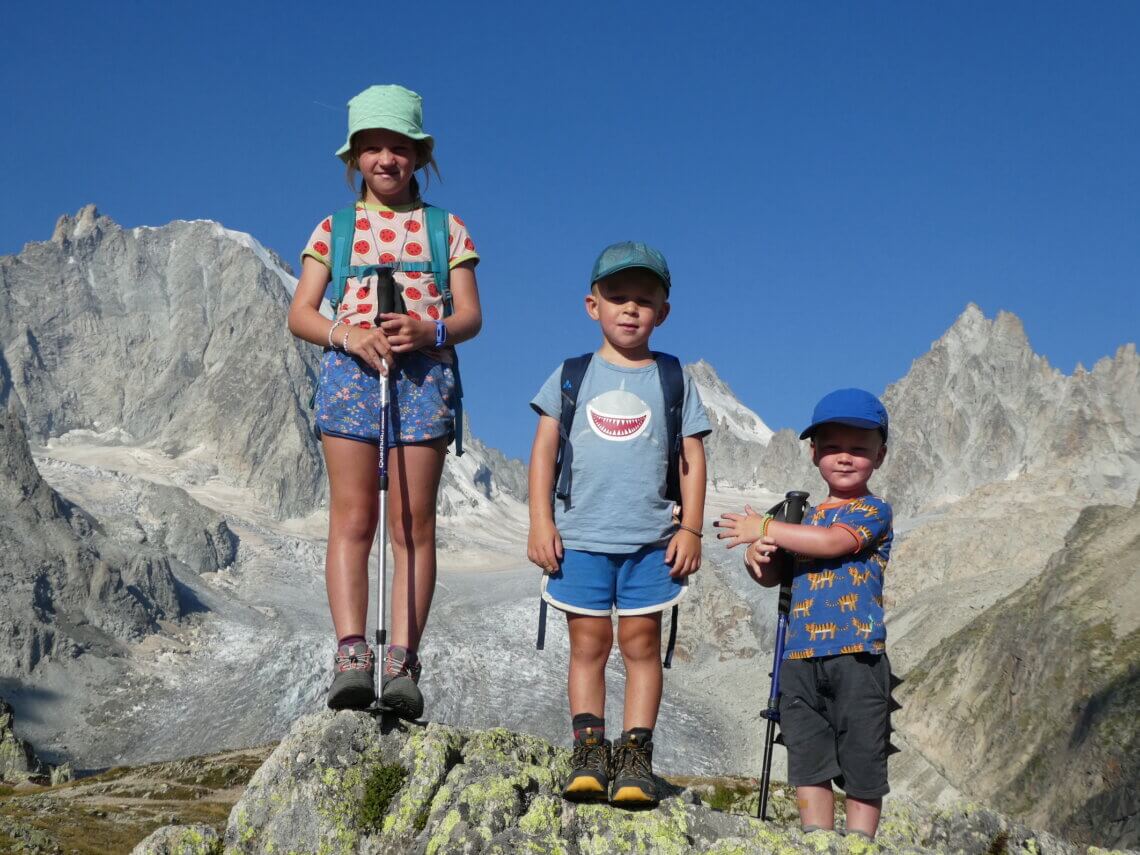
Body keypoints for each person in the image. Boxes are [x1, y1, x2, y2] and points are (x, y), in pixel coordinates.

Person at [287, 84, 482, 718]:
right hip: (350, 376)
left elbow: (472, 315)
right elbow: (302, 313)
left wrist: (433, 330)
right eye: (372, 148)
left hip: (424, 380)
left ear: (419, 156)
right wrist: (350, 334)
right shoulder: (333, 229)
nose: (386, 160)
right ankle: (351, 655)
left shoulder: (446, 229)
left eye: (398, 147)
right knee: (352, 519)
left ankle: (401, 663)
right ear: (355, 158)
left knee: (411, 526)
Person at [527, 241, 710, 806]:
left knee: (640, 645)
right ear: (592, 305)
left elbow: (693, 458)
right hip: (580, 538)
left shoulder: (675, 379)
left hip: (651, 542)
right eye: (617, 297)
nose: (630, 309)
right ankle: (589, 754)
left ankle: (635, 759)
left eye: (644, 300)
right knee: (588, 645)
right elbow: (543, 450)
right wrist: (540, 521)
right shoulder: (571, 375)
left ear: (664, 312)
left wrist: (692, 529)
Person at [717, 388, 893, 840]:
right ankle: (816, 839)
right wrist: (757, 555)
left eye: (859, 448)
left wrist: (768, 527)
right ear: (814, 453)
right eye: (833, 447)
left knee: (862, 756)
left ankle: (860, 845)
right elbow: (774, 575)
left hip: (859, 655)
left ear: (881, 454)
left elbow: (834, 543)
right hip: (799, 658)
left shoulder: (873, 510)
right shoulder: (802, 519)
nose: (845, 457)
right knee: (807, 754)